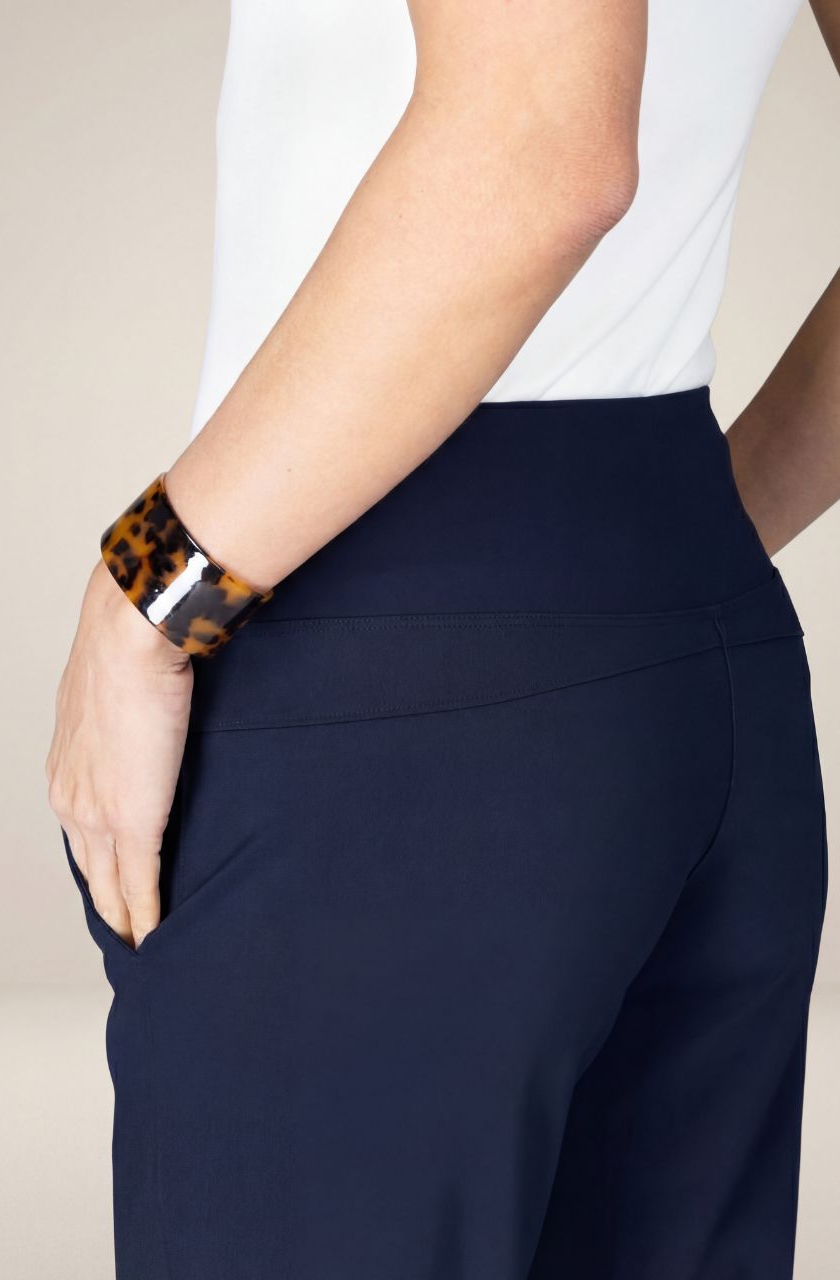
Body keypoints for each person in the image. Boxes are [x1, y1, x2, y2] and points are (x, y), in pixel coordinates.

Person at [46, 1, 839, 1277]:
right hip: (689, 649)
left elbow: (543, 141)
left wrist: (145, 596)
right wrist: (696, 540)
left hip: (390, 669)